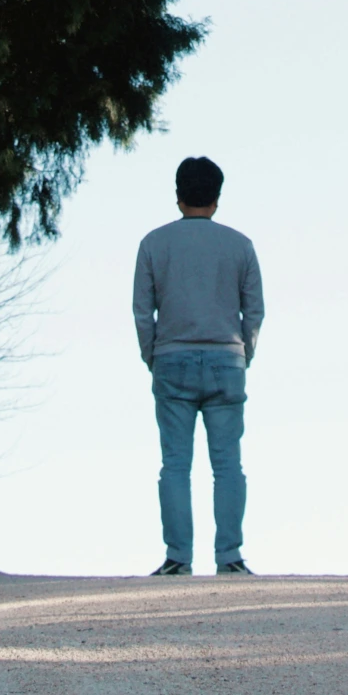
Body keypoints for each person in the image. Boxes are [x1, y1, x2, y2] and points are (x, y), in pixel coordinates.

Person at [132, 155, 264, 577]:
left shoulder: (153, 243)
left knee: (175, 463)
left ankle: (178, 557)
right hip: (227, 358)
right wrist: (244, 352)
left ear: (177, 196)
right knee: (228, 463)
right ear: (217, 198)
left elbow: (141, 311)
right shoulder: (240, 245)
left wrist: (152, 354)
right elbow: (254, 311)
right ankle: (229, 556)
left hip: (171, 357)